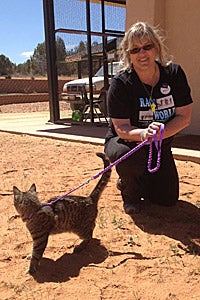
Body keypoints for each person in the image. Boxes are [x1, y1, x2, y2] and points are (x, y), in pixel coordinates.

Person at [104, 22, 193, 215]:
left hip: (159, 145)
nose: (142, 54)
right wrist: (144, 134)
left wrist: (159, 135)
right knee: (129, 157)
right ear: (128, 55)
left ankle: (140, 180)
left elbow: (184, 117)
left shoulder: (174, 74)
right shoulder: (121, 83)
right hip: (127, 142)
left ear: (157, 47)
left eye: (147, 47)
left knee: (167, 199)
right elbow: (121, 128)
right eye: (135, 50)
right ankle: (129, 191)